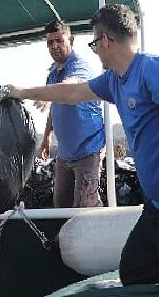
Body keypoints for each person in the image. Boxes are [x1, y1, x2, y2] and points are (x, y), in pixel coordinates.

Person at [6, 4, 159, 296]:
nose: (95, 50)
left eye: (94, 44)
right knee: (134, 271)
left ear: (106, 40)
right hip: (157, 209)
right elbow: (71, 92)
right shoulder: (114, 81)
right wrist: (24, 92)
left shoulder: (153, 69)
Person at [38, 19, 105, 208]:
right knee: (60, 208)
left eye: (59, 40)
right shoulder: (52, 73)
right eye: (50, 42)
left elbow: (69, 87)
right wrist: (47, 136)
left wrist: (47, 93)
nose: (54, 46)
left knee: (85, 208)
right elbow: (55, 105)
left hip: (88, 151)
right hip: (64, 155)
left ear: (71, 40)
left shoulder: (80, 66)